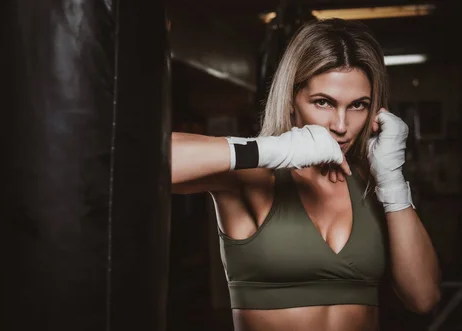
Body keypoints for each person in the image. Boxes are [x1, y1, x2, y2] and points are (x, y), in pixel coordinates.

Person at [171, 18, 440, 331]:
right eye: (323, 102)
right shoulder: (255, 178)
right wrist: (275, 149)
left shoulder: (369, 181)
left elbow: (423, 296)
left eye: (358, 105)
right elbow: (141, 162)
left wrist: (392, 178)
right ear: (291, 99)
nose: (341, 125)